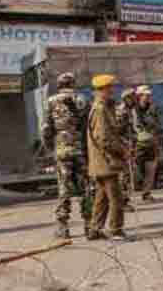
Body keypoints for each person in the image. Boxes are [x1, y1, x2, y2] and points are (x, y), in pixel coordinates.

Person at [41, 72, 92, 241]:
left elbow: (46, 129)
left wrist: (51, 148)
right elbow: (89, 127)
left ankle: (63, 227)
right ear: (73, 84)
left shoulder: (51, 101)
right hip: (82, 150)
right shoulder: (83, 100)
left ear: (59, 84)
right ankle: (90, 225)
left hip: (62, 150)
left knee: (64, 187)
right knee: (86, 187)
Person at [86, 74, 128, 240]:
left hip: (102, 160)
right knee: (116, 197)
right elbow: (103, 138)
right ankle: (115, 230)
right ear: (103, 89)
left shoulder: (102, 107)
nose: (113, 90)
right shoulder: (100, 109)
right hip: (105, 161)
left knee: (102, 197)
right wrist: (121, 150)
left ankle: (95, 229)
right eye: (110, 87)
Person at [132, 85, 163, 202]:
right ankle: (128, 195)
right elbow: (132, 127)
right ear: (139, 96)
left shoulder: (153, 109)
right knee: (136, 171)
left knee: (151, 169)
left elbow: (158, 125)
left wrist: (158, 138)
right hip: (138, 144)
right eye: (146, 95)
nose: (148, 97)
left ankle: (146, 193)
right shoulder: (133, 110)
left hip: (151, 143)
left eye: (149, 95)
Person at [115, 88, 137, 210]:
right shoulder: (121, 111)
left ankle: (124, 199)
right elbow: (117, 131)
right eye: (133, 98)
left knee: (127, 175)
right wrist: (125, 145)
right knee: (124, 175)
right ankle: (122, 201)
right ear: (127, 99)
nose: (135, 100)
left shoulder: (129, 110)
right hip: (123, 147)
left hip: (128, 146)